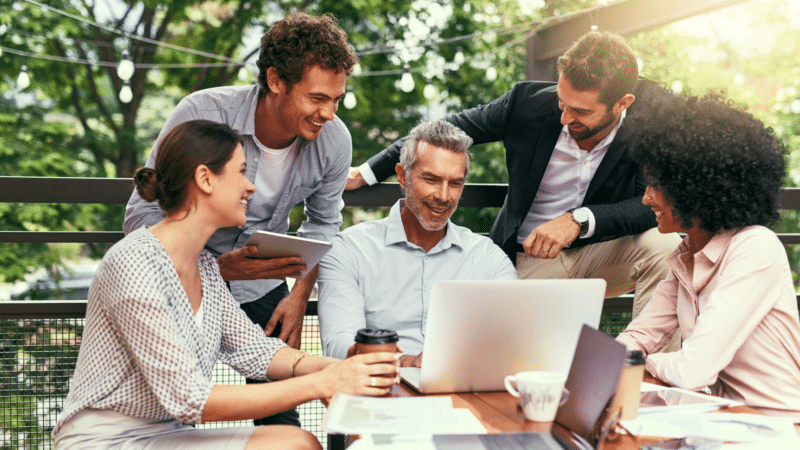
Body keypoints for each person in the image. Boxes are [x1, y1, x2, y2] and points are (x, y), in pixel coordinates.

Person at [53, 121, 398, 450]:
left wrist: (338, 369)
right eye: (241, 172)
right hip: (101, 440)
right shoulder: (133, 263)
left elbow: (256, 351)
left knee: (296, 443)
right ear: (205, 179)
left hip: (166, 432)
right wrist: (321, 383)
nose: (251, 186)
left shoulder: (204, 266)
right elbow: (190, 399)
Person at [345, 31, 682, 339]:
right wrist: (369, 172)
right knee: (492, 349)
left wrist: (579, 220)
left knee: (666, 251)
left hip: (601, 254)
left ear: (622, 103)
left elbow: (652, 205)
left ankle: (651, 380)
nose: (565, 117)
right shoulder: (527, 104)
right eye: (562, 103)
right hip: (526, 260)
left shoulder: (649, 123)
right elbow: (441, 129)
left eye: (579, 111)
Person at [124, 12, 356, 426]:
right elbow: (141, 215)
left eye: (336, 99)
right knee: (159, 410)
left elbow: (323, 224)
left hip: (263, 283)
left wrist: (300, 294)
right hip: (183, 276)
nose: (329, 112)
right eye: (318, 98)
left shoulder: (334, 140)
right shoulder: (204, 113)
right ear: (275, 80)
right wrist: (211, 269)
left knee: (282, 418)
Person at [615, 92, 800, 420]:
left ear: (695, 189)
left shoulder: (756, 248)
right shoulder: (686, 255)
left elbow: (692, 371)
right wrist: (614, 357)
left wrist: (639, 361)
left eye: (655, 186)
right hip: (719, 420)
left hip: (776, 427)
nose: (646, 199)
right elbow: (642, 335)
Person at [318, 121, 517, 367]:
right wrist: (406, 362)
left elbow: (514, 340)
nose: (444, 196)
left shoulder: (489, 258)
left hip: (461, 393)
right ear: (403, 176)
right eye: (431, 179)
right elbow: (338, 347)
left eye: (455, 183)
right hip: (379, 391)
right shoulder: (349, 250)